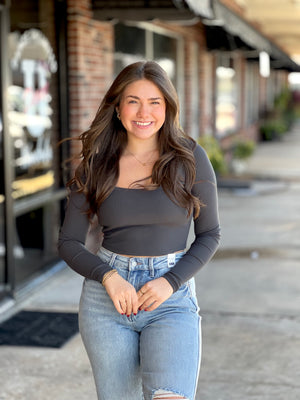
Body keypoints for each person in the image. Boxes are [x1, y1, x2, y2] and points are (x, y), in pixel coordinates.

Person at [58, 60, 220, 400]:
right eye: (133, 101)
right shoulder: (96, 165)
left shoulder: (190, 158)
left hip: (171, 297)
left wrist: (171, 281)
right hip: (107, 304)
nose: (143, 112)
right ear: (117, 108)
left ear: (168, 107)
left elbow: (209, 234)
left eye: (154, 102)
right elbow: (69, 243)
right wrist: (107, 276)